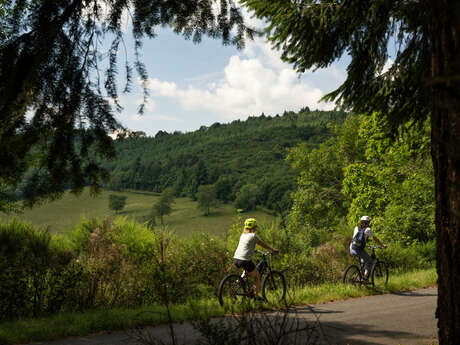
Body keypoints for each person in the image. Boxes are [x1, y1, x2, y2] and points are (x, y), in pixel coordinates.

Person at [233, 218, 278, 301]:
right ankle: (256, 298)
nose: (256, 228)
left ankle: (237, 283)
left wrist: (254, 250)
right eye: (255, 227)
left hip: (236, 259)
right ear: (254, 227)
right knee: (257, 276)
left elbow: (245, 246)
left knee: (247, 270)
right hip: (245, 260)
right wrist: (273, 250)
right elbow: (263, 245)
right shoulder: (253, 236)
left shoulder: (243, 235)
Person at [350, 216, 387, 280]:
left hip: (352, 248)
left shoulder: (356, 228)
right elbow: (375, 239)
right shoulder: (368, 229)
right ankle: (364, 278)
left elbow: (355, 239)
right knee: (370, 262)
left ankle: (360, 272)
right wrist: (382, 246)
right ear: (367, 223)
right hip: (359, 250)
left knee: (364, 257)